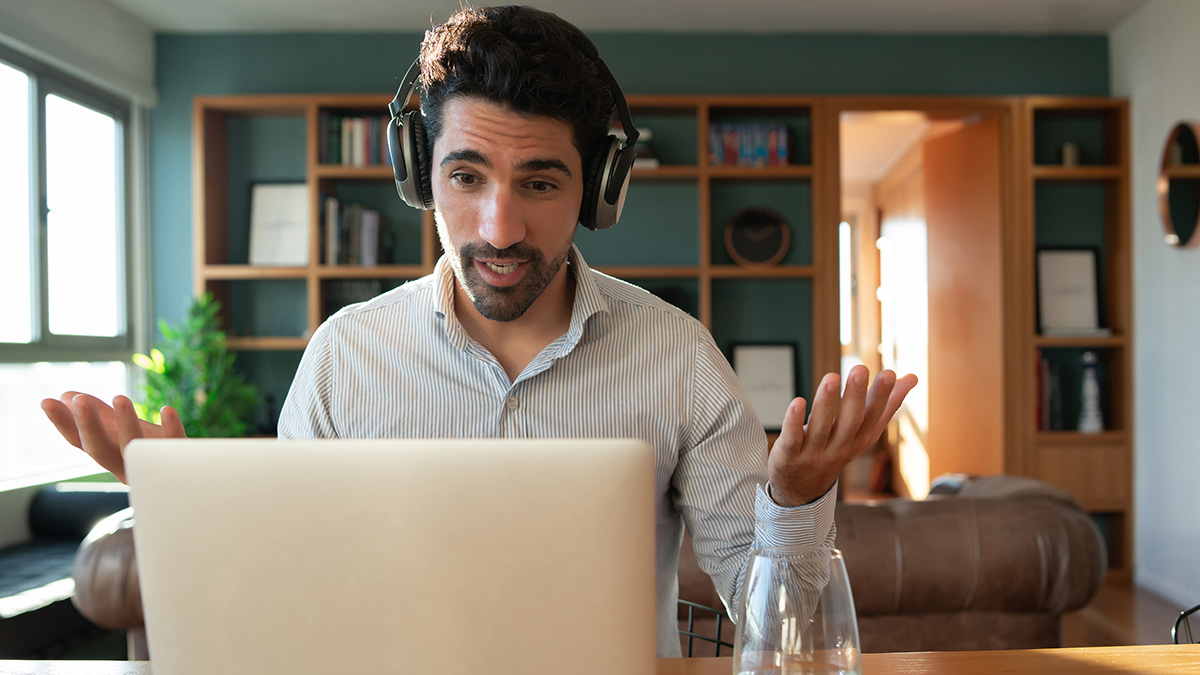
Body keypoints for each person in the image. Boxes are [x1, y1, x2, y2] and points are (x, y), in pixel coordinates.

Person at [42, 5, 917, 658]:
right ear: (421, 176)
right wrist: (180, 505)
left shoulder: (680, 355)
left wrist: (795, 499)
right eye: (467, 175)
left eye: (539, 183)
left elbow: (780, 633)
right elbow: (284, 615)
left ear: (598, 192)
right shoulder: (345, 361)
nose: (498, 228)